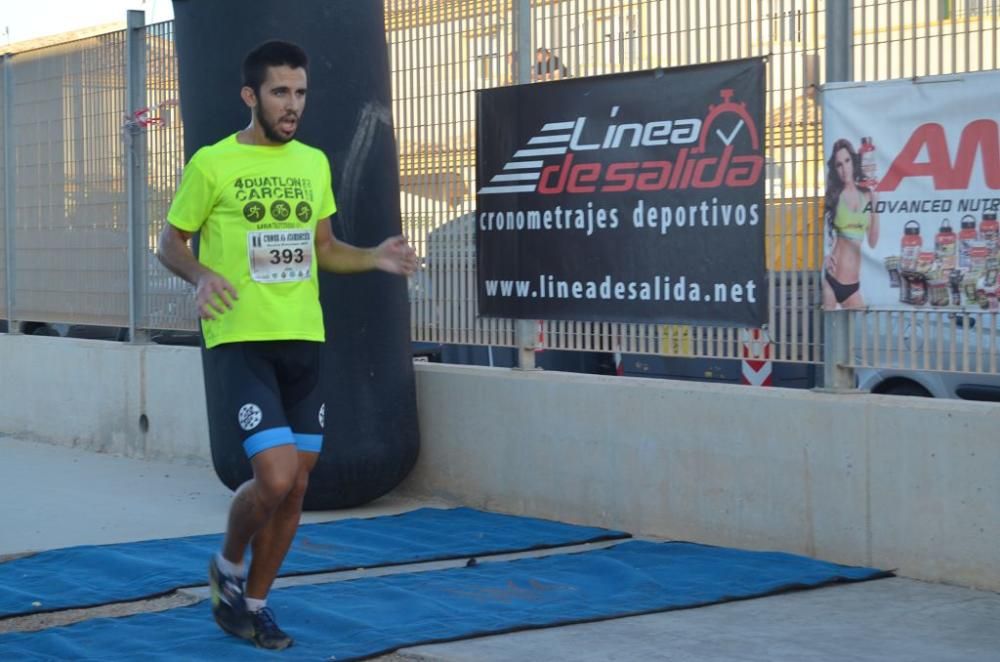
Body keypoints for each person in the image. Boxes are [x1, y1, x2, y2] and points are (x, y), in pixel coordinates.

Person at [156, 40, 418, 650]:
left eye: (299, 92)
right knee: (273, 478)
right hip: (241, 338)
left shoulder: (313, 163)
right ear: (251, 97)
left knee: (299, 485)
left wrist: (374, 255)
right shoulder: (212, 164)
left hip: (303, 336)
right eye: (280, 92)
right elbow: (171, 243)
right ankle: (226, 564)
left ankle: (253, 604)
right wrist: (202, 275)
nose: (292, 104)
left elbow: (325, 248)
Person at [822, 138, 879, 309]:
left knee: (861, 334)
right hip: (831, 280)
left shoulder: (868, 196)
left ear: (853, 162)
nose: (844, 168)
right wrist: (825, 254)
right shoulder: (834, 196)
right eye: (839, 164)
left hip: (853, 286)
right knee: (832, 334)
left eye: (846, 161)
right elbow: (826, 232)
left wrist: (875, 208)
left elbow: (873, 242)